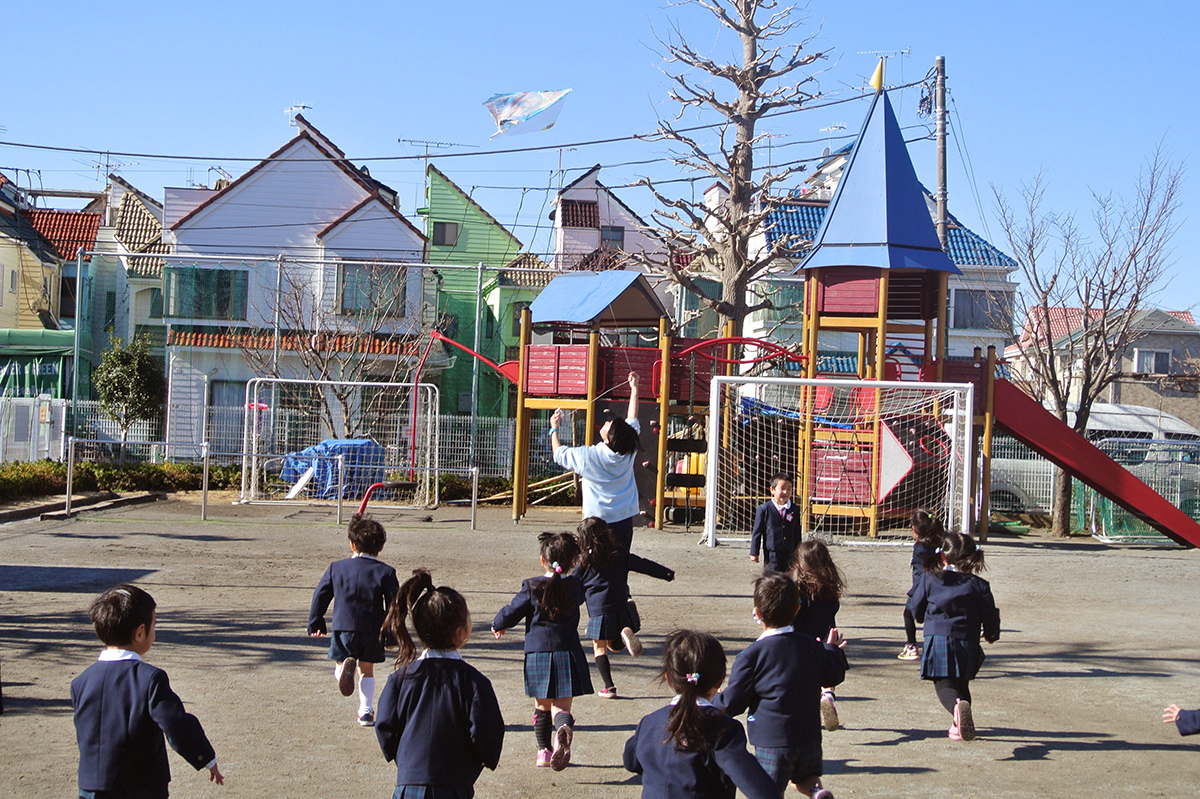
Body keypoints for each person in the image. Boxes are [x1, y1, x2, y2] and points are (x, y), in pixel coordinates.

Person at [71, 584, 224, 797]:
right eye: (154, 625)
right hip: (140, 787)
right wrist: (205, 757)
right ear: (140, 633)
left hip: (90, 786)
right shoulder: (150, 679)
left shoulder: (81, 682)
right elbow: (175, 723)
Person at [376, 569, 504, 797]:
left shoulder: (401, 678)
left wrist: (407, 757)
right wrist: (480, 760)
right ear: (461, 632)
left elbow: (385, 725)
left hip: (408, 783)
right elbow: (487, 733)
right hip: (453, 786)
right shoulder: (474, 682)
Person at [717, 573, 847, 799]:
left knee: (770, 791)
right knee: (806, 778)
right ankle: (817, 793)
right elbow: (833, 675)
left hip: (772, 739)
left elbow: (734, 702)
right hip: (808, 736)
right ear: (798, 609)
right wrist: (832, 650)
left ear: (756, 614)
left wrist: (715, 699)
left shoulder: (751, 657)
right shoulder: (811, 646)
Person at [623, 630, 779, 799]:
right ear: (719, 680)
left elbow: (631, 761)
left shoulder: (649, 723)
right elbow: (760, 789)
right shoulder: (723, 729)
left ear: (668, 678)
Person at [492, 532, 592, 770]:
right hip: (567, 651)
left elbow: (512, 611)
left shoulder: (532, 586)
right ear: (573, 562)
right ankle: (563, 732)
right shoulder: (576, 586)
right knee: (561, 707)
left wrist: (498, 624)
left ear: (542, 560)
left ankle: (543, 752)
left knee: (542, 705)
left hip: (538, 653)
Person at [308, 513, 400, 727]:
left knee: (341, 660)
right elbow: (395, 606)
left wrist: (316, 621)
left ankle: (341, 670)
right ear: (381, 547)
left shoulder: (336, 568)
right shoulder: (386, 572)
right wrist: (392, 635)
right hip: (372, 629)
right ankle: (366, 712)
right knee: (367, 669)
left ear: (352, 545)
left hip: (343, 626)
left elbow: (320, 594)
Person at [907, 530, 1000, 741]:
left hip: (937, 637)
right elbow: (989, 615)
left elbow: (916, 607)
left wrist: (921, 617)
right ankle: (958, 725)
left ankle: (956, 710)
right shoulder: (980, 585)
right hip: (967, 642)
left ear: (943, 556)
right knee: (962, 683)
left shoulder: (930, 578)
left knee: (943, 684)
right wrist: (992, 634)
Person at [575, 516, 675, 698]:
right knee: (615, 644)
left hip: (599, 609)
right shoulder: (619, 553)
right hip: (621, 603)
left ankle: (609, 687)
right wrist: (667, 573)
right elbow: (643, 564)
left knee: (599, 648)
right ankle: (626, 630)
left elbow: (573, 583)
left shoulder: (585, 561)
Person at [550, 371, 643, 551]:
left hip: (596, 523)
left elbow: (559, 454)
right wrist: (634, 388)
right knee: (619, 567)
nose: (606, 423)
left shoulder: (590, 456)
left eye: (609, 425)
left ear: (609, 438)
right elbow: (632, 418)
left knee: (593, 567)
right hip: (624, 521)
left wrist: (554, 429)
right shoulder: (629, 446)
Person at [791, 539, 847, 733]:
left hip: (802, 643)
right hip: (827, 640)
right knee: (827, 676)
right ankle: (828, 696)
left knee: (801, 683)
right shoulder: (831, 589)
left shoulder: (800, 591)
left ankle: (804, 713)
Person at [898, 509, 944, 661]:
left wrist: (916, 591)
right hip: (940, 585)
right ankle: (937, 647)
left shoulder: (920, 548)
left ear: (915, 529)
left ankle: (911, 646)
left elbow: (922, 573)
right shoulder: (939, 544)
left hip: (922, 587)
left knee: (909, 613)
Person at [750, 473, 801, 572]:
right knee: (771, 576)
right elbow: (757, 532)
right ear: (772, 490)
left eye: (789, 489)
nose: (786, 492)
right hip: (772, 551)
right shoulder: (764, 509)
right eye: (782, 488)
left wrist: (798, 551)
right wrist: (754, 552)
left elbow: (796, 532)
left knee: (787, 575)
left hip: (789, 550)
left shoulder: (794, 509)